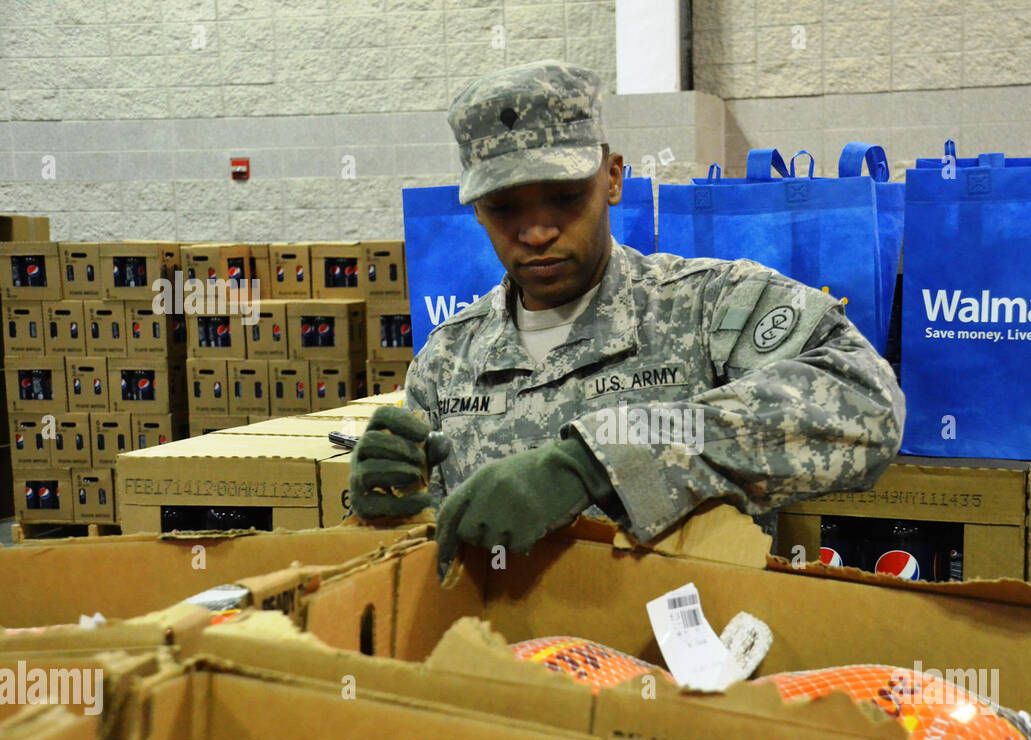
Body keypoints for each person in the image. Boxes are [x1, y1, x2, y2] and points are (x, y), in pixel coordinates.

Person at [349, 60, 905, 580]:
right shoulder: (446, 361)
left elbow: (869, 403)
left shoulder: (708, 307)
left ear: (612, 179)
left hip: (681, 667)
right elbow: (436, 561)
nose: (537, 232)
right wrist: (394, 508)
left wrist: (599, 460)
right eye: (505, 209)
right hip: (512, 665)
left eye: (565, 198)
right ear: (476, 210)